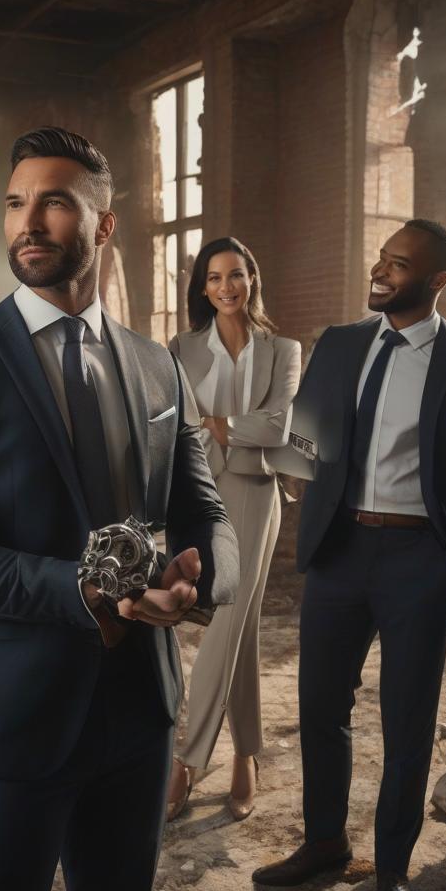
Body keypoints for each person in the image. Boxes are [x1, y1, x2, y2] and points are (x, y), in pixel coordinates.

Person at [0, 127, 239, 891]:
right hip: (10, 715)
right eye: (15, 202)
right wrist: (86, 592)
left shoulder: (159, 369)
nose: (28, 222)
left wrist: (200, 576)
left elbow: (205, 509)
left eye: (53, 201)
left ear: (104, 226)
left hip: (138, 712)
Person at [252, 220, 446, 891]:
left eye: (398, 265)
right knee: (319, 711)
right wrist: (302, 490)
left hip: (418, 561)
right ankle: (325, 842)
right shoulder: (340, 344)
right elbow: (306, 437)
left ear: (436, 281)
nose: (380, 270)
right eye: (381, 258)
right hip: (339, 554)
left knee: (407, 722)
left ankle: (393, 872)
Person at [165, 237, 301, 822]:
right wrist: (230, 428)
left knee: (226, 614)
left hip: (255, 489)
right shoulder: (180, 347)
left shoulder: (285, 350)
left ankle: (187, 761)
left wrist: (216, 424)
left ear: (253, 279)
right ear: (202, 287)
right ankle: (246, 754)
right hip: (196, 491)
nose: (227, 286)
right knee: (239, 627)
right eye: (215, 277)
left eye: (237, 275)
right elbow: (176, 426)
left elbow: (285, 426)